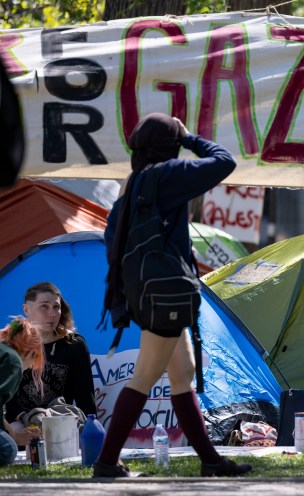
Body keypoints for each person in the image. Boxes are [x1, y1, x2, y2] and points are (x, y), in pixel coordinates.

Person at [95, 113, 250, 478]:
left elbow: (110, 240)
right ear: (170, 145)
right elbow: (224, 161)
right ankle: (106, 462)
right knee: (146, 376)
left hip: (147, 294)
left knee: (183, 372)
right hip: (166, 294)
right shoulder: (167, 176)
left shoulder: (131, 185)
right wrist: (190, 137)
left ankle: (211, 461)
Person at [6, 282, 96, 427]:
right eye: (44, 306)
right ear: (26, 309)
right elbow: (4, 395)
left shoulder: (74, 344)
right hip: (18, 420)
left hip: (58, 418)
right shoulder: (11, 342)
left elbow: (84, 395)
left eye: (56, 307)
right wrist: (25, 417)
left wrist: (91, 428)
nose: (52, 314)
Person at [0, 317, 44, 465]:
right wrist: (16, 437)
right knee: (8, 449)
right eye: (35, 358)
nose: (32, 366)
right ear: (31, 351)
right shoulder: (13, 361)